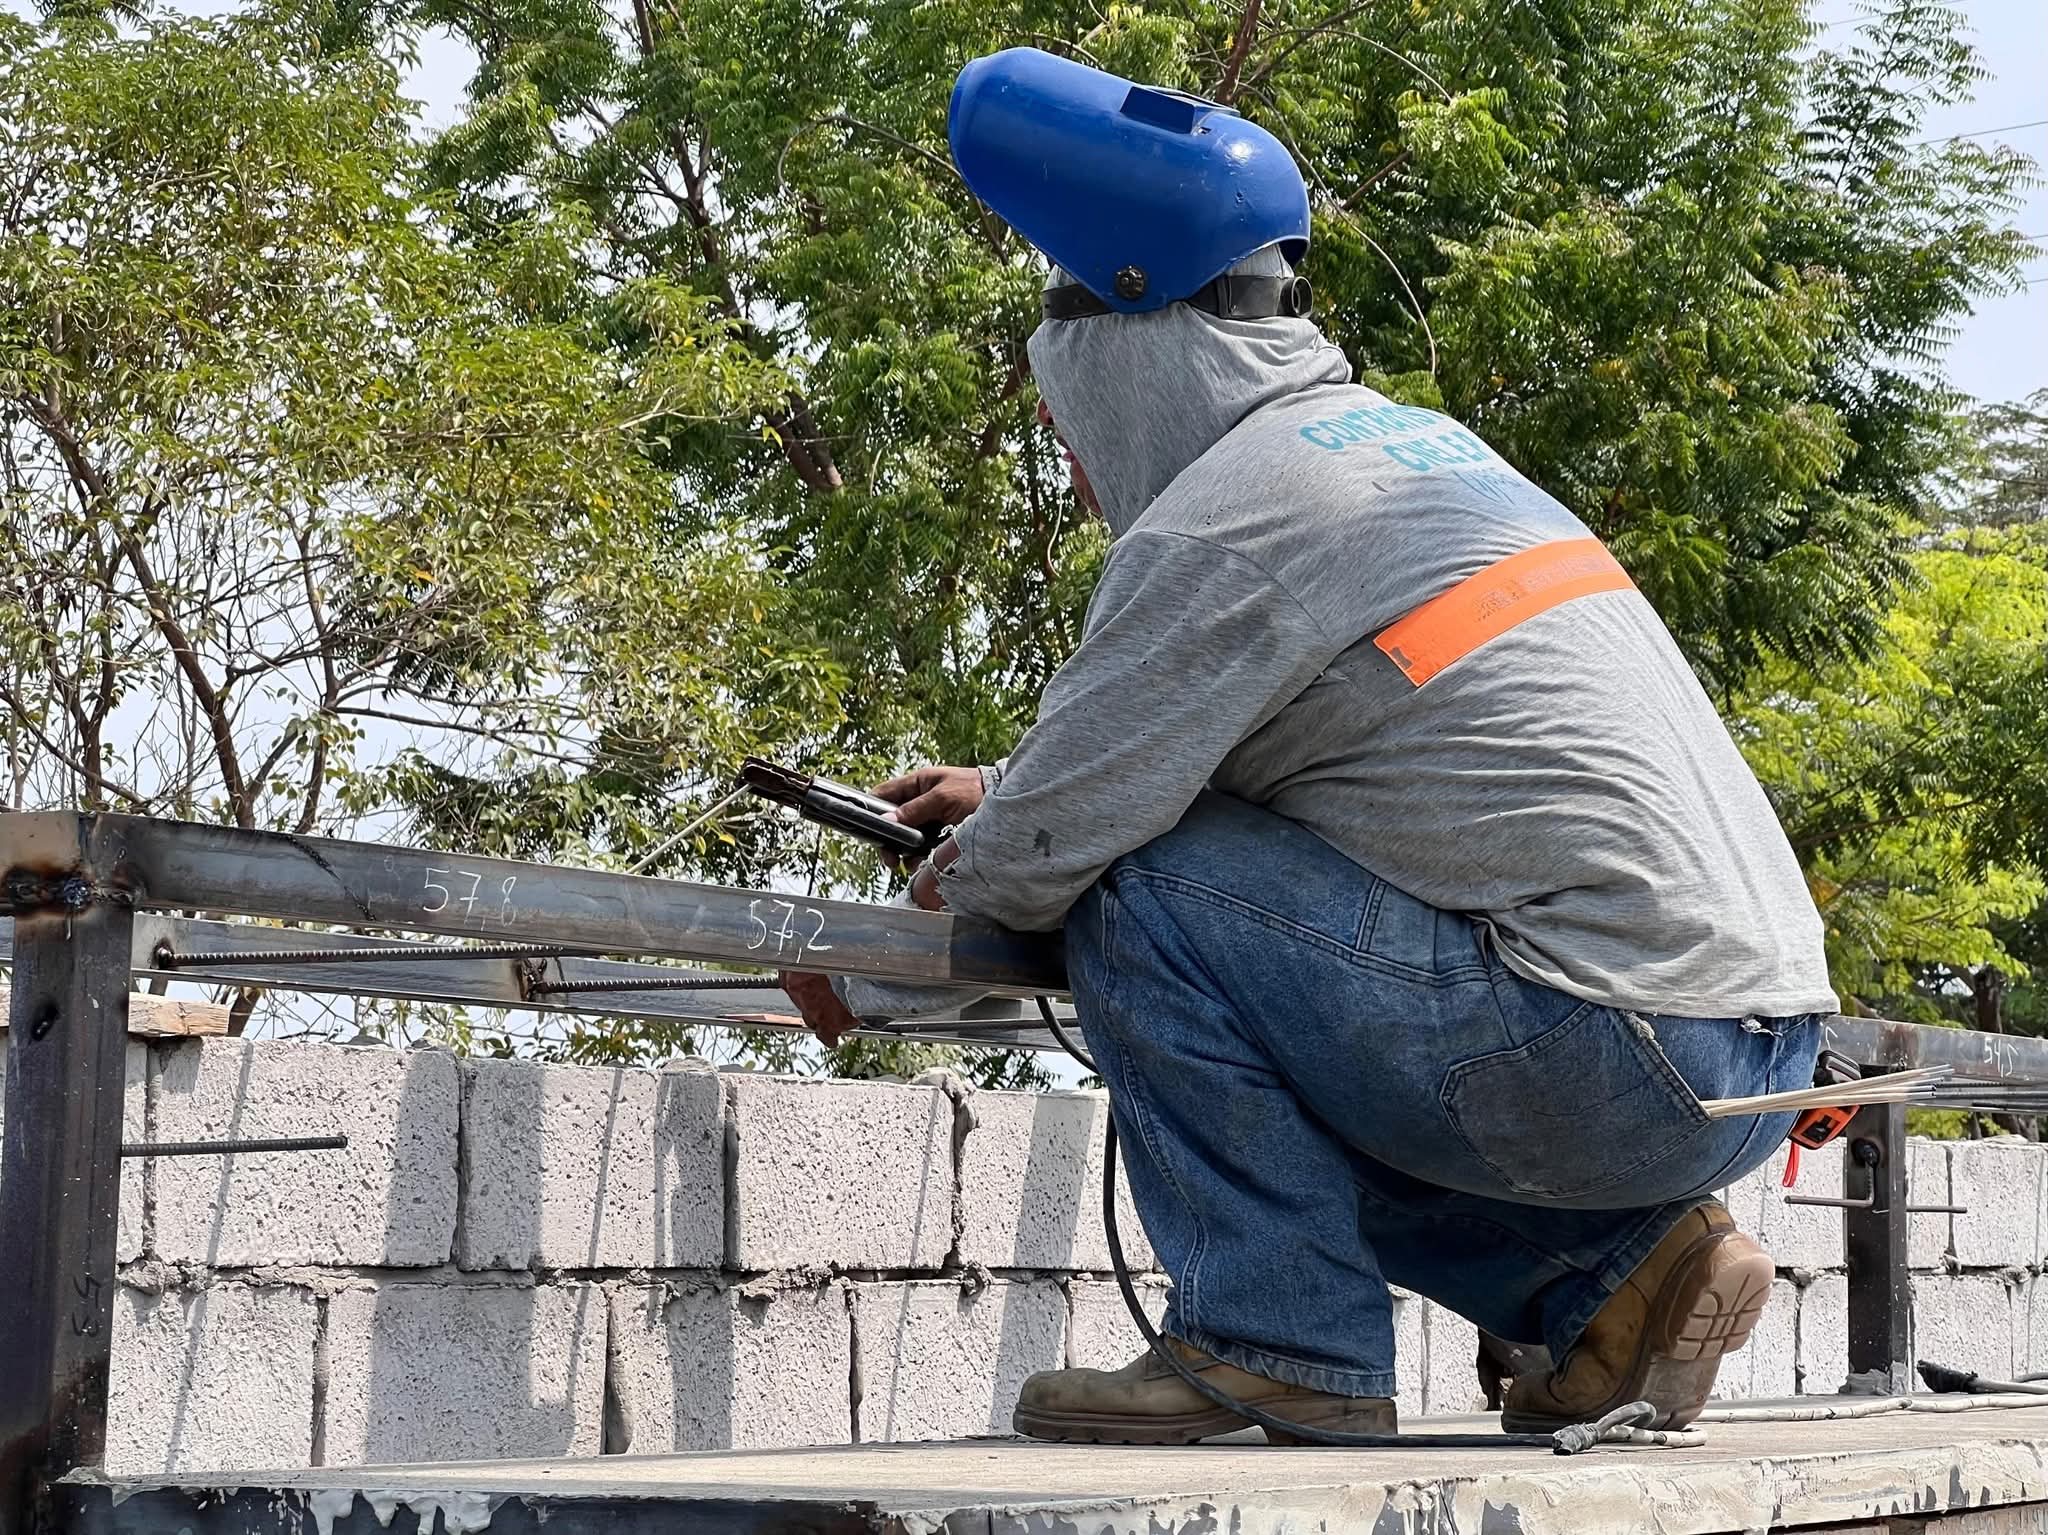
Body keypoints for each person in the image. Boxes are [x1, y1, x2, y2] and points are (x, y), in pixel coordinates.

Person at [781, 46, 1835, 1445]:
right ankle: (1624, 1276)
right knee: (1272, 1014)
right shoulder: (1412, 455)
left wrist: (882, 973)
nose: (1078, 468)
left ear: (1124, 364)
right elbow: (1330, 777)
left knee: (1138, 892)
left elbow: (1052, 852)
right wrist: (1010, 789)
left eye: (1067, 424)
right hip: (1756, 1060)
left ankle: (1274, 1343)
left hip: (1596, 1053)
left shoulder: (1227, 518)